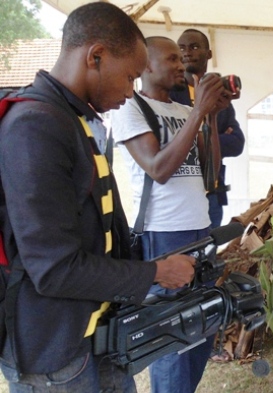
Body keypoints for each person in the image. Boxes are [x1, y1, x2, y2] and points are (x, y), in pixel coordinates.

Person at [0, 3, 196, 392]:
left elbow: (95, 230)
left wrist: (146, 264)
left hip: (97, 338)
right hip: (55, 356)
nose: (130, 92)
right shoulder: (35, 126)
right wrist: (155, 273)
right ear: (95, 56)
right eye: (129, 77)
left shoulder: (72, 118)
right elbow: (54, 268)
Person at [111, 36, 231, 393]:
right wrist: (198, 113)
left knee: (201, 330)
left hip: (199, 232)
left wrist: (207, 114)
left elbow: (211, 171)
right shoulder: (131, 108)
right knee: (171, 337)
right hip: (164, 236)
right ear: (146, 65)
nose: (182, 65)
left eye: (183, 59)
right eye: (172, 59)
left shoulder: (182, 112)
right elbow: (158, 169)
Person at [171, 29, 245, 228]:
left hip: (213, 194)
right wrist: (211, 135)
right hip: (179, 194)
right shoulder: (170, 93)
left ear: (209, 54)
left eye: (194, 47)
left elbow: (237, 143)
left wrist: (192, 137)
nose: (187, 52)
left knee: (209, 255)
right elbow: (169, 141)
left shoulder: (219, 94)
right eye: (182, 48)